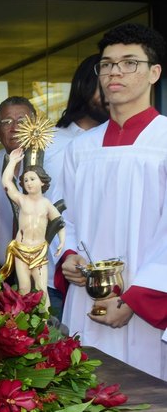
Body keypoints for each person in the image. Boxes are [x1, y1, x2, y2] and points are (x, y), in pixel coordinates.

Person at [58, 23, 167, 380]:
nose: (114, 72)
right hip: (86, 299)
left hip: (144, 305)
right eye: (106, 64)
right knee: (82, 387)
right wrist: (67, 254)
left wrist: (136, 299)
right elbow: (64, 216)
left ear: (154, 72)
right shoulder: (81, 149)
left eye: (128, 62)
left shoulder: (163, 141)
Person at [43, 53, 109, 318]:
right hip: (54, 276)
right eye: (102, 86)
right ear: (85, 86)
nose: (110, 94)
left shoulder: (127, 145)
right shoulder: (50, 142)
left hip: (112, 274)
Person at [0, 147, 65, 312]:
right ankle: (24, 324)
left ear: (42, 182)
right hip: (21, 250)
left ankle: (45, 324)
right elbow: (7, 182)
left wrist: (62, 241)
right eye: (26, 180)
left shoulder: (46, 204)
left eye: (32, 179)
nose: (28, 183)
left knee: (42, 289)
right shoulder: (21, 200)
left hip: (39, 251)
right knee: (24, 288)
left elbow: (59, 221)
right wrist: (13, 162)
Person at [0, 96, 37, 268]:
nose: (15, 128)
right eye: (7, 122)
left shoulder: (55, 164)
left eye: (22, 120)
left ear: (36, 126)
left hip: (43, 271)